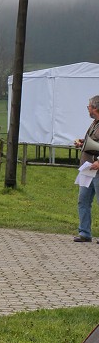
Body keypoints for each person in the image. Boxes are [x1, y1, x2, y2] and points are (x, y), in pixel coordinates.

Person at [74, 95, 99, 242]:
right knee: (83, 200)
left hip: (97, 168)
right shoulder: (94, 123)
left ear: (95, 107)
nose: (88, 109)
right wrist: (83, 143)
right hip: (88, 168)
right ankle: (85, 233)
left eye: (89, 106)